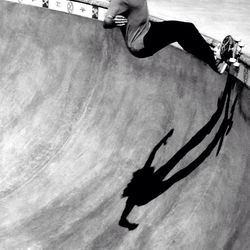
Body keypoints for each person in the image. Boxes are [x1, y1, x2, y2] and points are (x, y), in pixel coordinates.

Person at [103, 0, 226, 73]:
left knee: (186, 30)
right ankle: (214, 63)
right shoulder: (118, 1)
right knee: (184, 30)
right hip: (141, 43)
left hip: (149, 29)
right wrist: (112, 22)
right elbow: (106, 21)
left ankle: (207, 55)